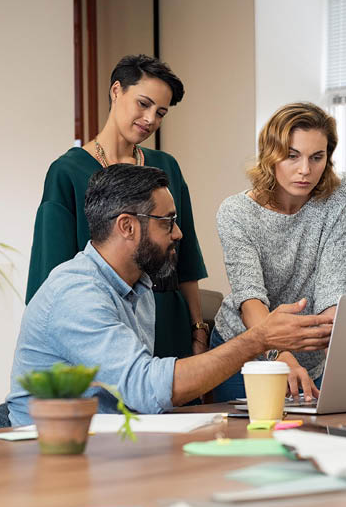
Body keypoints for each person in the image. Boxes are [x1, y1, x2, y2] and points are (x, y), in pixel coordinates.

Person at [7, 165, 333, 426]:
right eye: (168, 222)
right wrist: (258, 338)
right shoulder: (76, 292)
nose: (178, 233)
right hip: (50, 455)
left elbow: (138, 396)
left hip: (112, 445)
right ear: (127, 226)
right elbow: (145, 387)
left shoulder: (140, 285)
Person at [25, 54, 209, 361]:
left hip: (167, 322)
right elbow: (50, 273)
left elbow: (185, 257)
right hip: (100, 325)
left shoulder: (167, 168)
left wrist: (198, 327)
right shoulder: (67, 171)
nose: (151, 119)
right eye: (143, 103)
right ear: (116, 91)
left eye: (161, 112)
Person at [211, 102, 346, 402]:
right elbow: (250, 299)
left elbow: (332, 290)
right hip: (246, 350)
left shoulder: (343, 195)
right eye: (292, 156)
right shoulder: (237, 212)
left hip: (309, 356)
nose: (305, 170)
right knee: (252, 442)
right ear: (271, 155)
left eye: (316, 157)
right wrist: (281, 355)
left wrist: (345, 365)